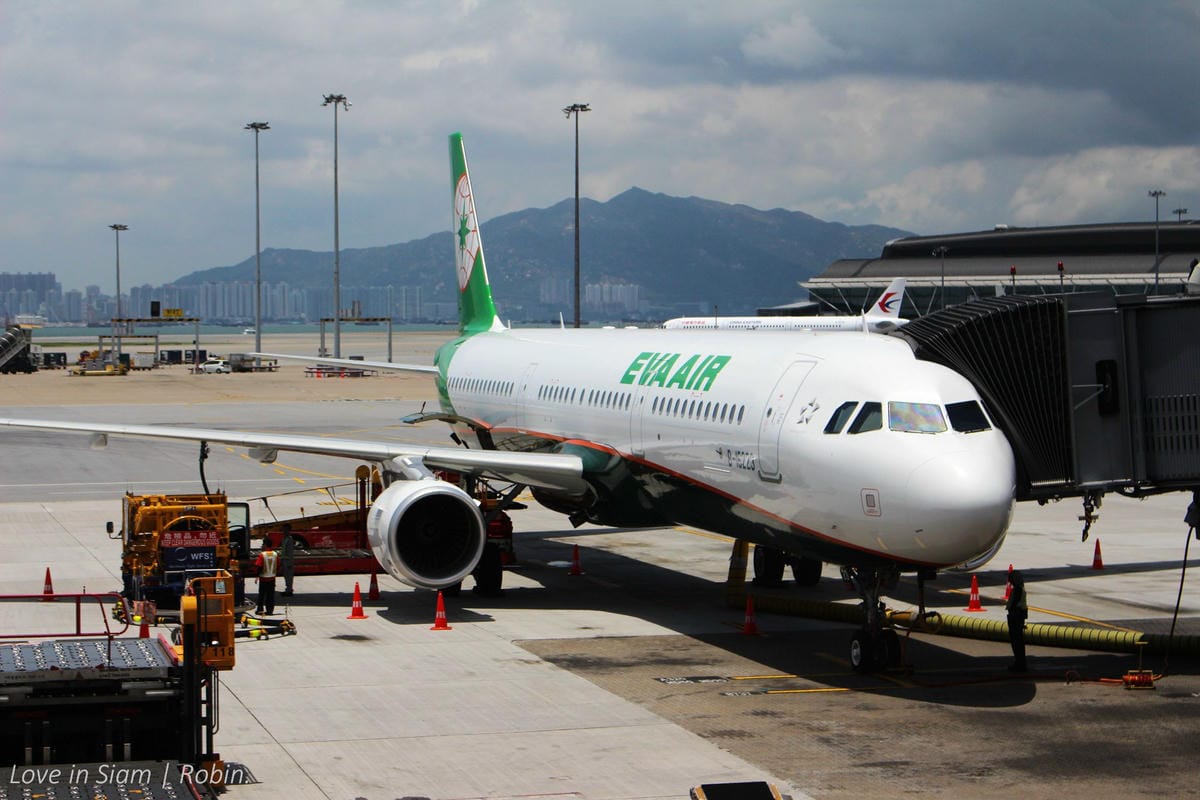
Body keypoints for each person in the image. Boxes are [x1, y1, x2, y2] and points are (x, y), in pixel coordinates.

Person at [1005, 569, 1028, 672]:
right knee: (1017, 641)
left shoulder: (1018, 589)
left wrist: (1012, 612)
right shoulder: (1019, 588)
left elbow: (1014, 603)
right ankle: (1019, 663)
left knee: (1017, 641)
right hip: (1018, 616)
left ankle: (1020, 664)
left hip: (1016, 616)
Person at [255, 541, 279, 615]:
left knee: (261, 595)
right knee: (270, 595)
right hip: (272, 578)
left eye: (262, 545)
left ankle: (260, 609)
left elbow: (259, 566)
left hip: (263, 578)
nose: (262, 546)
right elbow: (278, 565)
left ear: (265, 545)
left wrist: (257, 575)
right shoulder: (275, 554)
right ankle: (270, 610)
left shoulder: (262, 555)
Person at [280, 524, 296, 596]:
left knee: (289, 576)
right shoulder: (284, 539)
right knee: (286, 576)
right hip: (284, 560)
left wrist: (290, 563)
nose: (283, 531)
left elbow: (290, 552)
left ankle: (289, 590)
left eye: (285, 529)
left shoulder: (289, 539)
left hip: (288, 561)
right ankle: (287, 589)